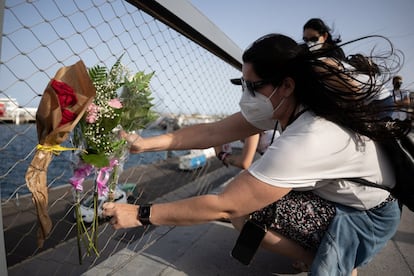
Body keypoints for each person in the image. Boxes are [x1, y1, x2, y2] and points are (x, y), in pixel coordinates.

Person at [103, 33, 407, 275]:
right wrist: (145, 144)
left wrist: (141, 214)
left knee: (245, 210)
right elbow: (212, 132)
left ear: (286, 85)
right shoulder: (290, 102)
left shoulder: (312, 134)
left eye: (252, 86)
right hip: (346, 201)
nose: (245, 96)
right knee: (246, 200)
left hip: (367, 220)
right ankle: (321, 253)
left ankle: (333, 257)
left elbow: (226, 206)